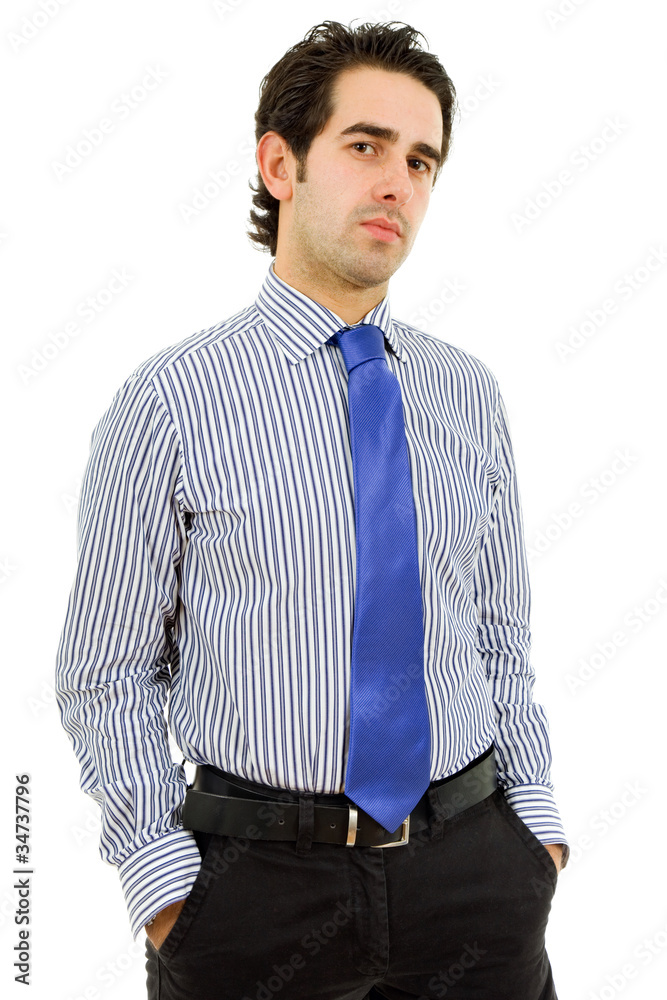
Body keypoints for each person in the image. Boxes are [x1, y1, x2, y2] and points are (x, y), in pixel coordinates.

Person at [55, 19, 569, 1000]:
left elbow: (498, 637)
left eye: (420, 160)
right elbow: (105, 670)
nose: (397, 183)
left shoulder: (467, 393)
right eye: (365, 145)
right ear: (279, 164)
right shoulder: (170, 400)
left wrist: (533, 830)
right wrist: (164, 887)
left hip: (474, 877)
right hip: (254, 896)